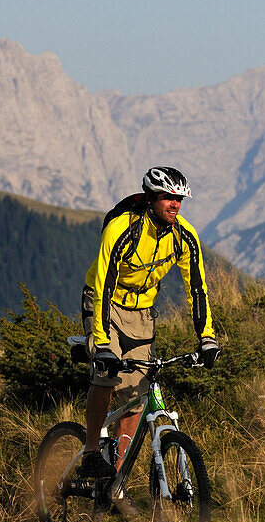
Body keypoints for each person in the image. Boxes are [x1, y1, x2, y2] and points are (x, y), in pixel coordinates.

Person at [78, 167, 220, 504]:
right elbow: (102, 284)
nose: (176, 204)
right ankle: (90, 451)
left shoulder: (185, 236)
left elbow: (197, 290)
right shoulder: (122, 229)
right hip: (105, 304)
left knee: (135, 394)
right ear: (152, 198)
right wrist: (100, 342)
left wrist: (207, 338)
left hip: (142, 313)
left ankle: (118, 476)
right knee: (106, 377)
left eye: (179, 199)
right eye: (169, 198)